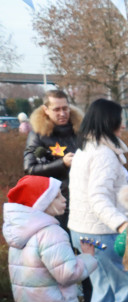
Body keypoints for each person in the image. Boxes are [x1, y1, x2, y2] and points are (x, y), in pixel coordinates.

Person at [67, 98, 128, 302]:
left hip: (82, 230)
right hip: (102, 232)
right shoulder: (104, 155)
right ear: (109, 121)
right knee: (126, 286)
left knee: (102, 290)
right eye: (120, 119)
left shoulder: (86, 149)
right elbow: (98, 196)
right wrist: (121, 224)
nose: (123, 124)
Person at [23, 89, 82, 228]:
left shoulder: (80, 131)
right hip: (56, 204)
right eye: (57, 109)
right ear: (46, 110)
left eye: (65, 108)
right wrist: (62, 164)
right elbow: (30, 168)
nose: (62, 113)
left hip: (82, 200)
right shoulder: (37, 134)